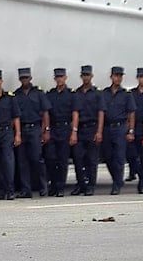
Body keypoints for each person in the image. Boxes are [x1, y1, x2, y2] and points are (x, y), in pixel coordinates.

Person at [13, 67, 50, 198]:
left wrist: (46, 130)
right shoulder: (16, 95)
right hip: (22, 129)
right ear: (20, 79)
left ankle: (43, 186)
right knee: (23, 161)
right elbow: (15, 115)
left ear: (30, 78)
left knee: (37, 159)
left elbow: (45, 112)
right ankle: (26, 190)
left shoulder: (38, 93)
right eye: (22, 78)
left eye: (26, 78)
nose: (24, 80)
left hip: (35, 129)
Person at [0, 69, 21, 200]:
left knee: (8, 161)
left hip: (7, 131)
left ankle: (10, 190)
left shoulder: (10, 98)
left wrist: (18, 134)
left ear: (1, 81)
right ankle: (1, 190)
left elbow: (16, 117)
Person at [101, 66, 136, 195]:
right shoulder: (104, 93)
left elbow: (131, 113)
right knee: (108, 157)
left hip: (120, 127)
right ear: (111, 77)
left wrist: (130, 130)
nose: (118, 78)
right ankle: (116, 178)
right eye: (116, 76)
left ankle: (117, 184)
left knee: (119, 157)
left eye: (120, 76)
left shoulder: (126, 94)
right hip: (107, 128)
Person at [70, 65, 104, 195]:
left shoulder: (97, 93)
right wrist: (74, 131)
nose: (86, 77)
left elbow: (101, 113)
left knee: (92, 160)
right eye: (84, 75)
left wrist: (99, 131)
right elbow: (75, 113)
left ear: (91, 76)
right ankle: (80, 184)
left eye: (88, 75)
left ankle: (91, 185)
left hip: (92, 128)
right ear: (81, 77)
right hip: (80, 130)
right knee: (78, 159)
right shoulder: (77, 93)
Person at [45, 68, 74, 197]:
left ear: (65, 78)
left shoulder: (71, 94)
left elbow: (75, 114)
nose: (59, 79)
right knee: (51, 159)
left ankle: (60, 187)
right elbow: (46, 113)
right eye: (57, 77)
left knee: (62, 160)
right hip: (53, 129)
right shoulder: (50, 95)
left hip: (65, 129)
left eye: (61, 76)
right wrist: (46, 130)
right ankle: (53, 185)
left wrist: (74, 131)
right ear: (55, 78)